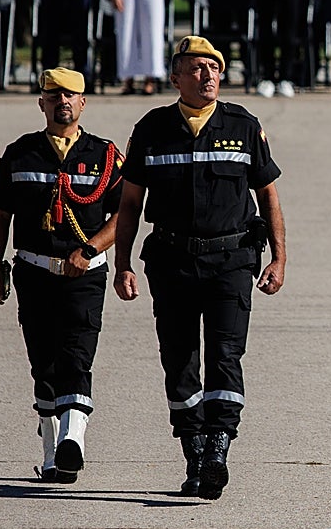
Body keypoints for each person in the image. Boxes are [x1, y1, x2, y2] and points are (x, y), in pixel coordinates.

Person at [114, 35, 286, 500]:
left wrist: (279, 257)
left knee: (226, 355)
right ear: (175, 78)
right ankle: (193, 448)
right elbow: (130, 204)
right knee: (180, 358)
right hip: (171, 261)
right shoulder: (151, 129)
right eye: (195, 68)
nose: (206, 75)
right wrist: (123, 263)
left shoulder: (243, 125)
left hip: (232, 260)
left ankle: (218, 449)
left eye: (213, 67)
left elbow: (268, 194)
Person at [0, 67, 123, 483]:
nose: (63, 102)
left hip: (84, 274)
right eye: (54, 95)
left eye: (71, 95)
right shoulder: (19, 153)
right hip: (33, 272)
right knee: (43, 364)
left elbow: (123, 214)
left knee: (76, 357)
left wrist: (91, 249)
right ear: (41, 102)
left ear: (83, 103)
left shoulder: (105, 154)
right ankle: (51, 453)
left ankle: (73, 441)